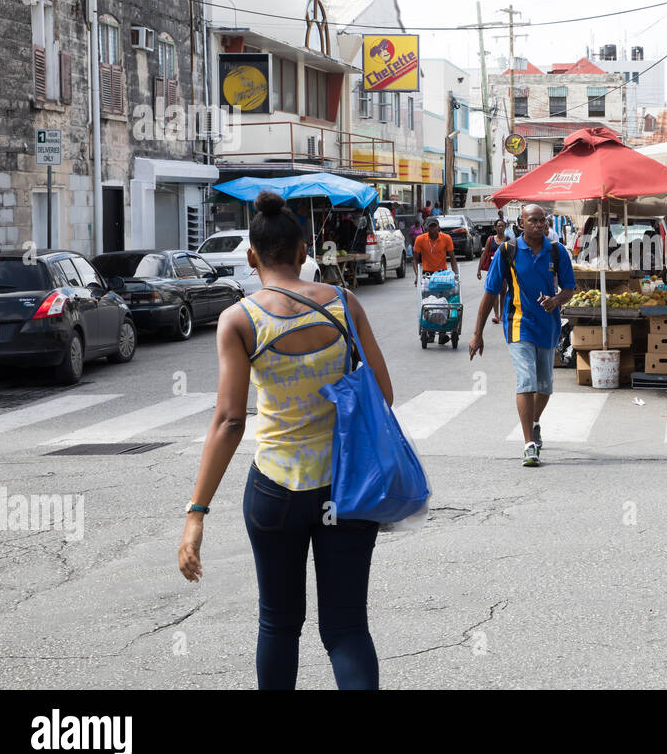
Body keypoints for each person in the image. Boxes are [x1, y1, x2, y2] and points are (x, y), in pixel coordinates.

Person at [177, 190, 393, 690]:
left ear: (252, 258)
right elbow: (382, 394)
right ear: (303, 252)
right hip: (346, 491)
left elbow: (230, 422)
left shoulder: (239, 320)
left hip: (274, 491)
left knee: (278, 624)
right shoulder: (344, 305)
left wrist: (196, 515)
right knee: (346, 628)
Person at [469, 204, 576, 468]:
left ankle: (535, 421)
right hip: (519, 325)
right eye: (533, 220)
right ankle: (529, 444)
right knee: (527, 379)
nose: (539, 225)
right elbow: (491, 293)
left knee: (545, 385)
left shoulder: (556, 250)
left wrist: (556, 300)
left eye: (543, 221)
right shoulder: (508, 251)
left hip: (548, 326)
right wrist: (477, 334)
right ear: (521, 222)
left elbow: (569, 288)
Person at [414, 219, 459, 344]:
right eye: (430, 227)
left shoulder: (446, 238)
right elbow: (415, 259)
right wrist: (417, 276)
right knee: (429, 304)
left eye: (435, 227)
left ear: (438, 227)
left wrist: (456, 276)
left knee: (443, 303)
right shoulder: (420, 240)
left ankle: (443, 333)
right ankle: (430, 332)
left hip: (442, 276)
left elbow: (452, 258)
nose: (433, 229)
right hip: (428, 275)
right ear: (426, 228)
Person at [478, 218, 509, 324]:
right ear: (495, 227)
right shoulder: (491, 239)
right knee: (494, 292)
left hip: (505, 269)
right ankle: (496, 315)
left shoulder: (508, 240)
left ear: (505, 227)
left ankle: (502, 314)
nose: (500, 227)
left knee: (503, 292)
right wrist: (479, 269)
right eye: (498, 226)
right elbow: (484, 253)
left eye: (502, 226)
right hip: (493, 269)